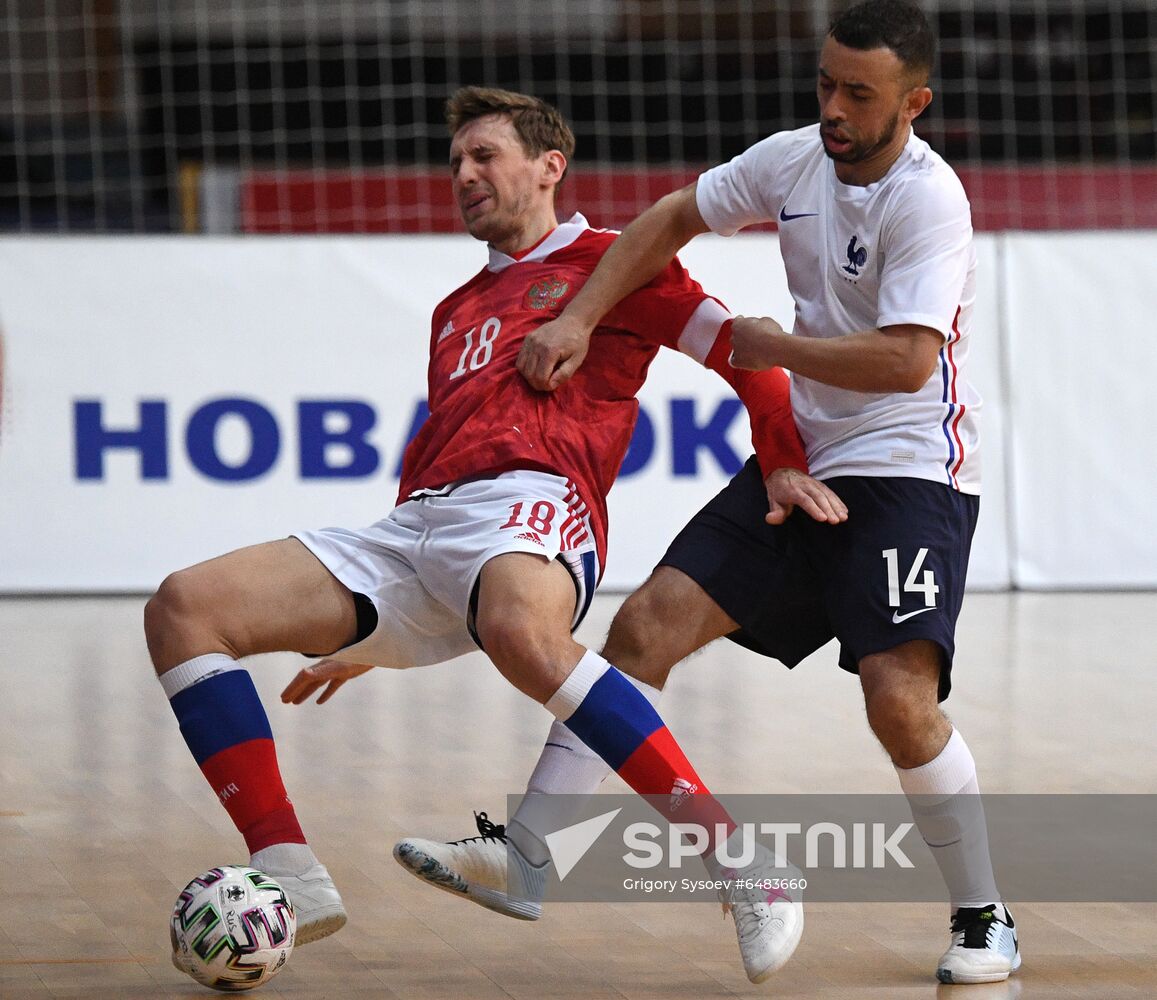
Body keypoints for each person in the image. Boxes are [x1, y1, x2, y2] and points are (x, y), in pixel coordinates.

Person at [360, 0, 1020, 986]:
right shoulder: (794, 157)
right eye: (824, 83)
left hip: (908, 468)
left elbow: (906, 361)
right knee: (640, 635)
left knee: (896, 699)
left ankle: (983, 913)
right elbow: (670, 216)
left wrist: (771, 347)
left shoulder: (929, 203)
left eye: (858, 93)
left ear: (912, 102)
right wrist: (584, 315)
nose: (832, 107)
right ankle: (527, 853)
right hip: (804, 457)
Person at [144, 85, 846, 984]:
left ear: (550, 165)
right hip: (418, 525)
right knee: (183, 609)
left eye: (484, 156)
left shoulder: (612, 263)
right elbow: (437, 451)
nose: (463, 176)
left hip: (537, 500)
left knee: (521, 630)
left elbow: (750, 360)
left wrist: (782, 459)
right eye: (454, 165)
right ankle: (291, 871)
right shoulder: (453, 309)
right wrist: (372, 628)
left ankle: (743, 865)